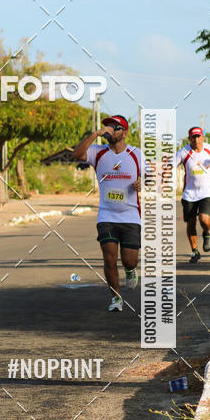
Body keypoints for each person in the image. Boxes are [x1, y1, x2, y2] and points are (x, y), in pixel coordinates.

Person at [73, 115, 144, 312]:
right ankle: (116, 298)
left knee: (129, 260)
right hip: (107, 216)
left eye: (116, 127)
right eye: (108, 127)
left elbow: (152, 176)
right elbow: (77, 155)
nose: (111, 130)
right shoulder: (97, 152)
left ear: (125, 132)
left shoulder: (136, 154)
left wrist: (142, 183)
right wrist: (94, 134)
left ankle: (130, 270)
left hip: (130, 215)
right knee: (109, 258)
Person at [175, 127, 210, 263]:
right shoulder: (183, 152)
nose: (196, 139)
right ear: (189, 139)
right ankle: (194, 251)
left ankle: (207, 233)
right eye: (193, 137)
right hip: (189, 193)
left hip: (206, 191)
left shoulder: (209, 149)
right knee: (190, 224)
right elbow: (170, 165)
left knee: (204, 219)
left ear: (202, 137)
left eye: (198, 136)